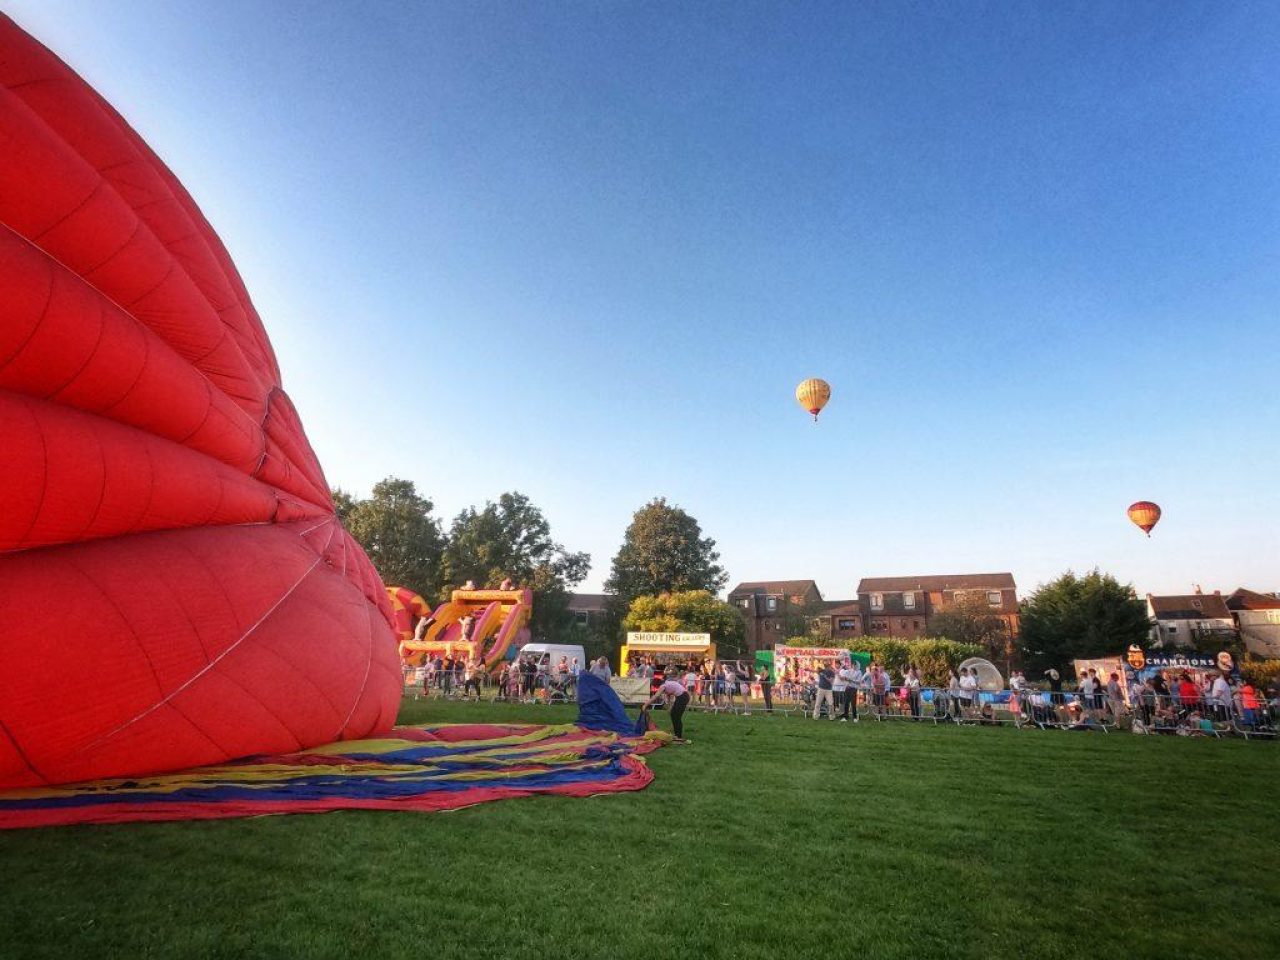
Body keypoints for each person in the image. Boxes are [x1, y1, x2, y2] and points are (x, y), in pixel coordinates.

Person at [645, 672, 691, 742]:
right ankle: (676, 734)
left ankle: (678, 736)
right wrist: (670, 707)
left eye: (655, 686)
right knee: (673, 714)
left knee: (677, 716)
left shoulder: (663, 686)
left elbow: (655, 696)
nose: (655, 688)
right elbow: (669, 696)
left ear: (657, 685)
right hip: (682, 696)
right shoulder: (667, 684)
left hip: (683, 697)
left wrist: (646, 704)